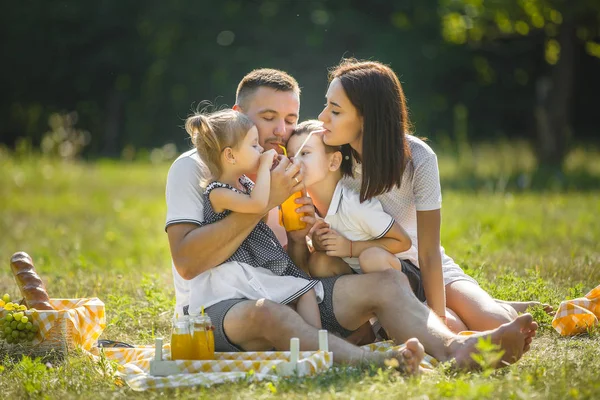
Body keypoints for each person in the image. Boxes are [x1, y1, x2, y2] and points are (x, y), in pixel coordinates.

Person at [165, 68, 537, 372]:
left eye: (291, 119)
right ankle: (372, 359)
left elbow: (296, 269)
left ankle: (456, 349)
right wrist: (266, 204)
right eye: (268, 118)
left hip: (293, 294)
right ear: (235, 115)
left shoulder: (280, 170)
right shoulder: (194, 169)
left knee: (388, 284)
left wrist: (301, 237)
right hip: (224, 309)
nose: (282, 131)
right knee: (271, 315)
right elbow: (187, 262)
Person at [316, 58, 547, 332]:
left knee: (495, 323)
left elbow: (428, 251)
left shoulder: (418, 158)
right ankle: (474, 307)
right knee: (459, 330)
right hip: (378, 273)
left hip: (427, 268)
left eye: (335, 110)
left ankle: (495, 306)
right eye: (326, 105)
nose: (322, 117)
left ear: (366, 116)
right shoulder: (329, 158)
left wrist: (438, 317)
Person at [182, 109, 321, 329]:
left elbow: (261, 216)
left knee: (304, 290)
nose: (261, 150)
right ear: (230, 155)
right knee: (300, 292)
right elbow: (258, 205)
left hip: (252, 264)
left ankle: (316, 340)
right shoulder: (217, 191)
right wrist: (266, 167)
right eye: (254, 145)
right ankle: (317, 344)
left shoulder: (244, 183)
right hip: (236, 272)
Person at [286, 120, 426, 303]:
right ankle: (367, 327)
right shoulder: (306, 207)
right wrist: (320, 243)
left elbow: (403, 242)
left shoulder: (355, 206)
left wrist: (350, 248)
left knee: (371, 258)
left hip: (406, 279)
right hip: (362, 279)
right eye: (290, 156)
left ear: (334, 161)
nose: (295, 162)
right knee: (319, 263)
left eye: (304, 153)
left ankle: (405, 313)